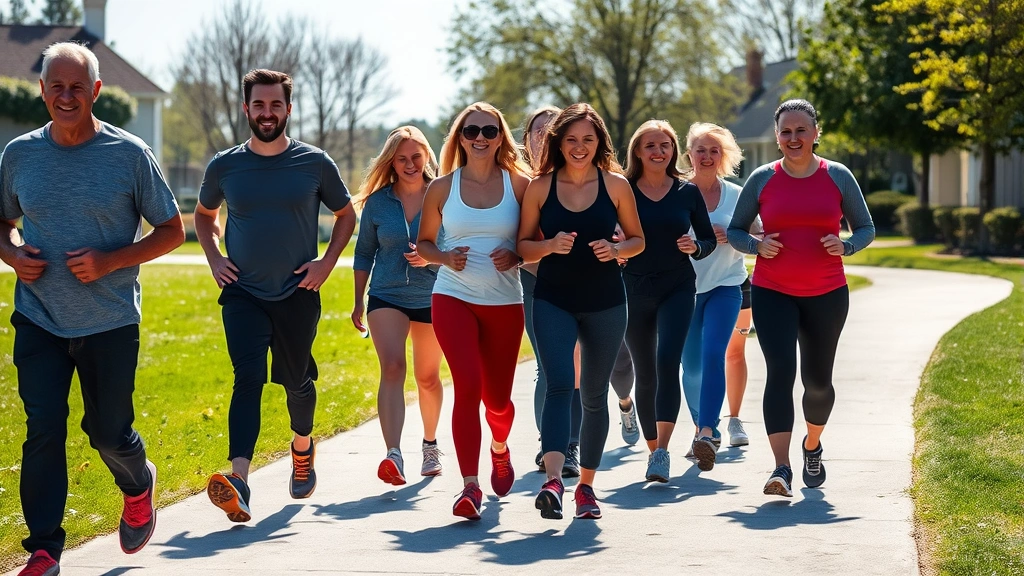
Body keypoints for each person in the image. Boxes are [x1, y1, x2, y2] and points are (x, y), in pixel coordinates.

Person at [0, 42, 184, 575]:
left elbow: (172, 230)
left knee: (107, 431)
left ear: (96, 91)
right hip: (39, 317)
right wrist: (12, 255)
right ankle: (43, 550)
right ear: (42, 90)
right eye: (55, 86)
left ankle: (137, 481)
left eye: (76, 87)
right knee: (42, 429)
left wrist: (110, 261)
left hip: (109, 321)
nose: (65, 96)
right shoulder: (19, 155)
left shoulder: (129, 155)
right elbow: (0, 221)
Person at [195, 69, 356, 521]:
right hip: (242, 292)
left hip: (297, 292)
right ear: (246, 109)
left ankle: (302, 447)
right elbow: (204, 214)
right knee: (247, 377)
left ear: (288, 109)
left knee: (295, 380)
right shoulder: (224, 166)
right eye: (259, 105)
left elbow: (346, 215)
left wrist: (327, 262)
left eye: (276, 105)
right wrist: (213, 256)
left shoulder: (315, 163)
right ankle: (240, 481)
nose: (267, 113)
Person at [728, 99, 874, 497]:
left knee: (818, 382)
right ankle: (780, 468)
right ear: (777, 137)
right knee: (779, 375)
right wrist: (758, 246)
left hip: (827, 293)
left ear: (815, 133)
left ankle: (812, 445)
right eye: (786, 132)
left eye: (801, 130)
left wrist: (846, 247)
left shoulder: (838, 176)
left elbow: (865, 227)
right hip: (772, 290)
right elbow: (737, 231)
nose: (794, 138)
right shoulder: (761, 178)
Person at [518, 103, 645, 520]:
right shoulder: (540, 187)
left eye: (587, 139)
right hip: (553, 299)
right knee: (558, 386)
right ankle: (553, 480)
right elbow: (522, 247)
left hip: (606, 302)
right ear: (558, 142)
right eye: (571, 139)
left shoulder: (616, 185)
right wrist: (548, 246)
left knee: (593, 396)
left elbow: (637, 241)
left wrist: (616, 249)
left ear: (599, 143)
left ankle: (586, 487)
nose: (579, 147)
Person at [416, 102, 530, 521]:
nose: (479, 137)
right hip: (453, 296)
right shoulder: (442, 188)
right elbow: (425, 244)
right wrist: (445, 258)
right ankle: (469, 486)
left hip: (504, 301)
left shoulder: (520, 185)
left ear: (501, 137)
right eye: (470, 131)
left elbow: (534, 241)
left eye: (488, 130)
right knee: (467, 387)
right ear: (459, 138)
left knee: (497, 400)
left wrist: (516, 255)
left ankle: (499, 448)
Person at [620, 120, 716, 482]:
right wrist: (615, 244)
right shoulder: (622, 189)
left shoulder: (687, 193)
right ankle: (652, 449)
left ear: (673, 151)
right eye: (650, 146)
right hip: (633, 288)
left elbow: (706, 241)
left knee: (667, 363)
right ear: (638, 152)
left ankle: (662, 452)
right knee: (644, 372)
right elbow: (604, 231)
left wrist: (696, 246)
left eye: (665, 145)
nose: (658, 152)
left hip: (677, 286)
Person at [352, 126, 445, 485]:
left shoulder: (442, 196)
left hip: (432, 295)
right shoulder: (378, 202)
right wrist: (358, 299)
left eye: (415, 157)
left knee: (427, 376)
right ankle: (393, 454)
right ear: (391, 161)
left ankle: (431, 445)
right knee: (392, 367)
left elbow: (453, 249)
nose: (409, 164)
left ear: (426, 158)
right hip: (386, 294)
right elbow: (364, 254)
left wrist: (431, 260)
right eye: (402, 158)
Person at [678, 122, 755, 472]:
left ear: (723, 156)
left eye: (714, 151)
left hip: (727, 285)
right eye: (700, 150)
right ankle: (699, 428)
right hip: (684, 290)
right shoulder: (676, 193)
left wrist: (734, 236)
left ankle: (708, 432)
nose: (707, 157)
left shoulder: (737, 196)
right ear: (689, 154)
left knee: (713, 355)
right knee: (690, 367)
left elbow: (759, 236)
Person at [520, 106, 582, 477]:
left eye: (550, 131)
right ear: (526, 140)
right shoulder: (521, 183)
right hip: (535, 282)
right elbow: (518, 242)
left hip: (585, 285)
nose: (543, 137)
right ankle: (552, 446)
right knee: (549, 367)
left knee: (574, 368)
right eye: (536, 132)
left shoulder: (583, 177)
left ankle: (569, 446)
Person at [724, 278, 753, 447]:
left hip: (735, 282)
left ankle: (734, 419)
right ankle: (701, 427)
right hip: (696, 283)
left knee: (735, 354)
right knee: (701, 360)